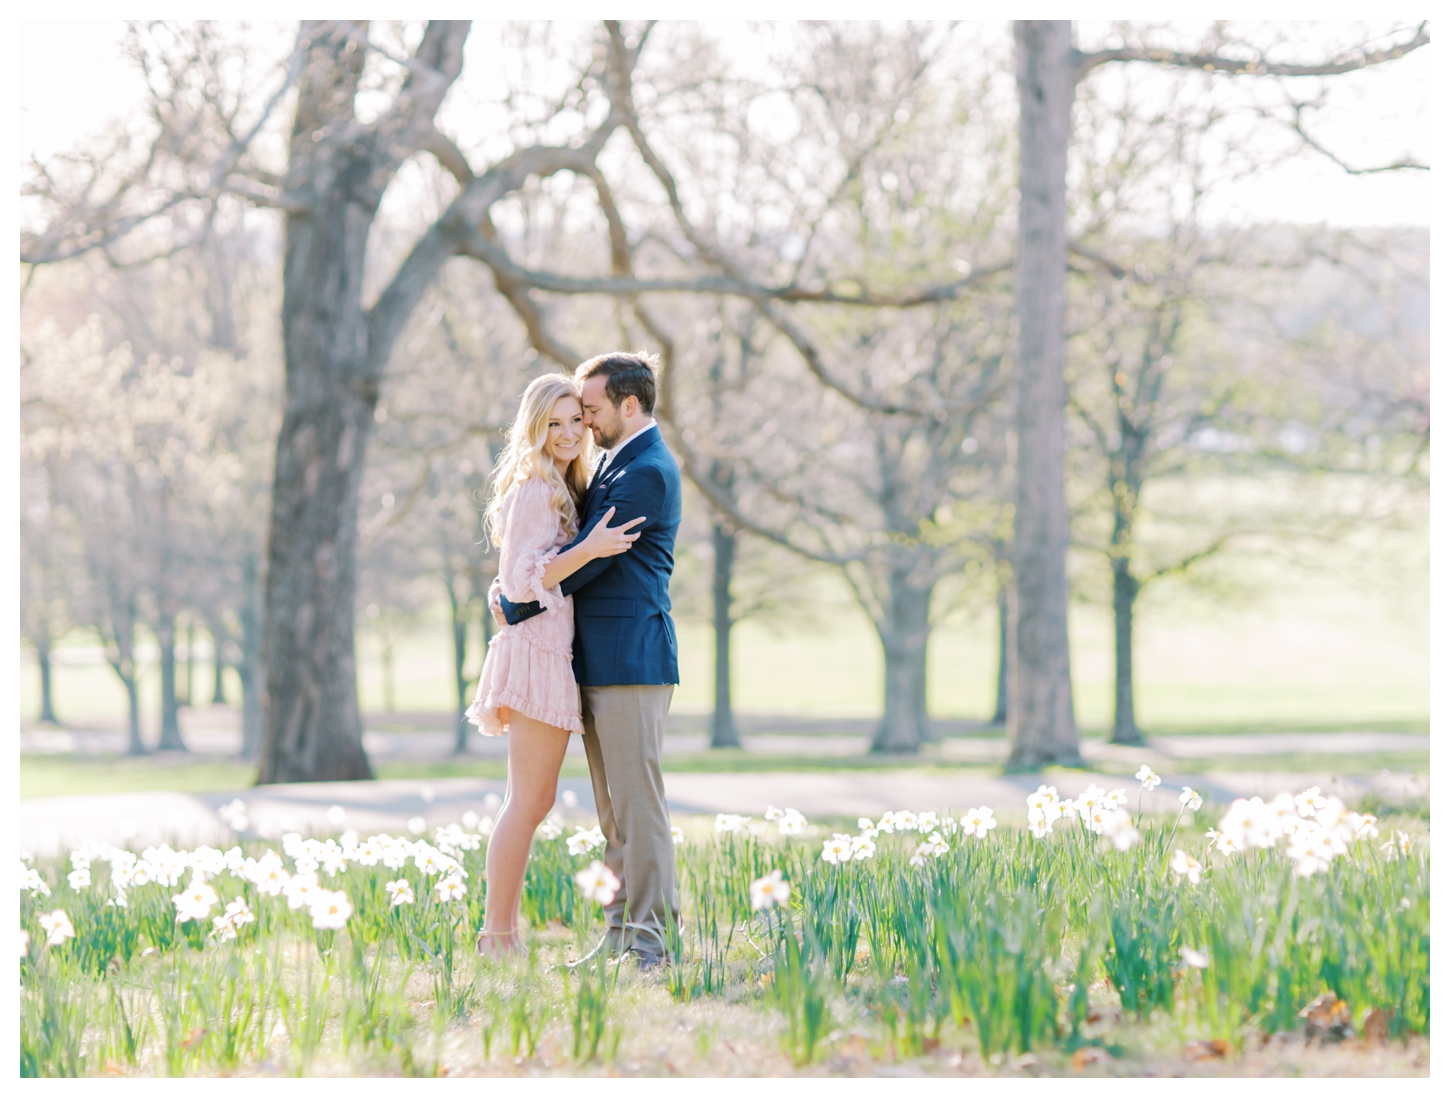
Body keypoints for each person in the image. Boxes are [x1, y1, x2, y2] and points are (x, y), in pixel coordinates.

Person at [491, 351, 684, 970]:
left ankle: (651, 940)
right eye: (571, 416)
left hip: (631, 661)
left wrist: (514, 599)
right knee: (614, 815)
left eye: (592, 411)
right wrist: (511, 585)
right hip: (593, 663)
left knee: (637, 807)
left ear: (630, 405)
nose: (585, 425)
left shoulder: (646, 472)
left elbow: (587, 560)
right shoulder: (607, 465)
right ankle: (621, 934)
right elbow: (548, 550)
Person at [465, 373, 644, 957]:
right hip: (535, 655)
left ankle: (502, 935)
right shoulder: (536, 489)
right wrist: (589, 549)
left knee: (530, 800)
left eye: (576, 420)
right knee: (529, 802)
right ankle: (497, 937)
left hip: (545, 651)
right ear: (536, 428)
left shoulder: (564, 485)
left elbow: (510, 574)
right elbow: (521, 579)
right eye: (555, 423)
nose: (569, 433)